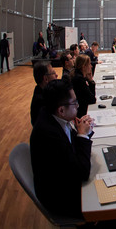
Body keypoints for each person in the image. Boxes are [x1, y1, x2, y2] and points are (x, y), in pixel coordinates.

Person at [30, 79, 93, 219]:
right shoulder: (48, 134)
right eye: (74, 103)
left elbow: (72, 149)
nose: (78, 105)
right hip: (63, 199)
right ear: (61, 110)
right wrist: (82, 135)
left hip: (64, 181)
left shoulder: (55, 117)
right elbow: (82, 173)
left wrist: (82, 130)